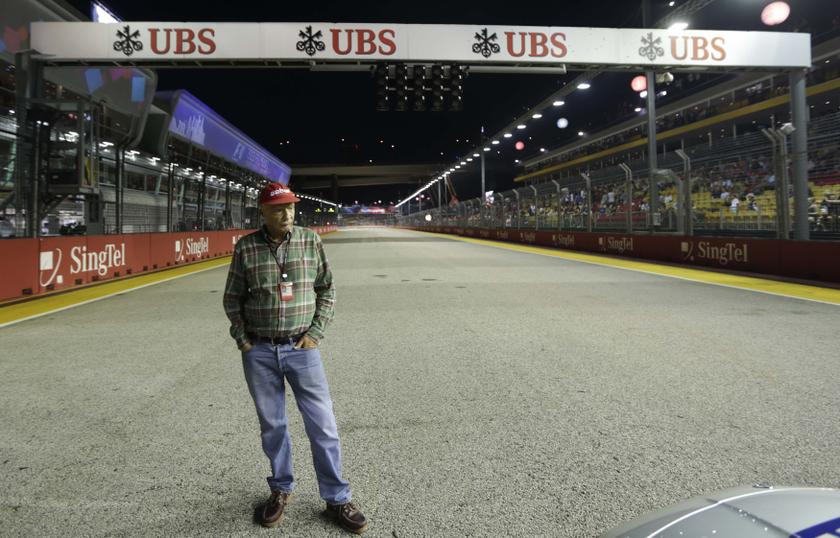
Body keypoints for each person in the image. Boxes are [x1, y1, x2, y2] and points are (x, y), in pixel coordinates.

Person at [223, 183, 368, 534]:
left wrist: (316, 333)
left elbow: (327, 289)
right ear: (262, 212)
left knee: (323, 425)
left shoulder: (310, 241)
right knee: (273, 426)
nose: (286, 214)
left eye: (290, 207)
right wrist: (243, 340)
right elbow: (232, 298)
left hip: (302, 349)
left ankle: (337, 498)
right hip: (259, 350)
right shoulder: (246, 247)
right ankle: (280, 490)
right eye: (277, 208)